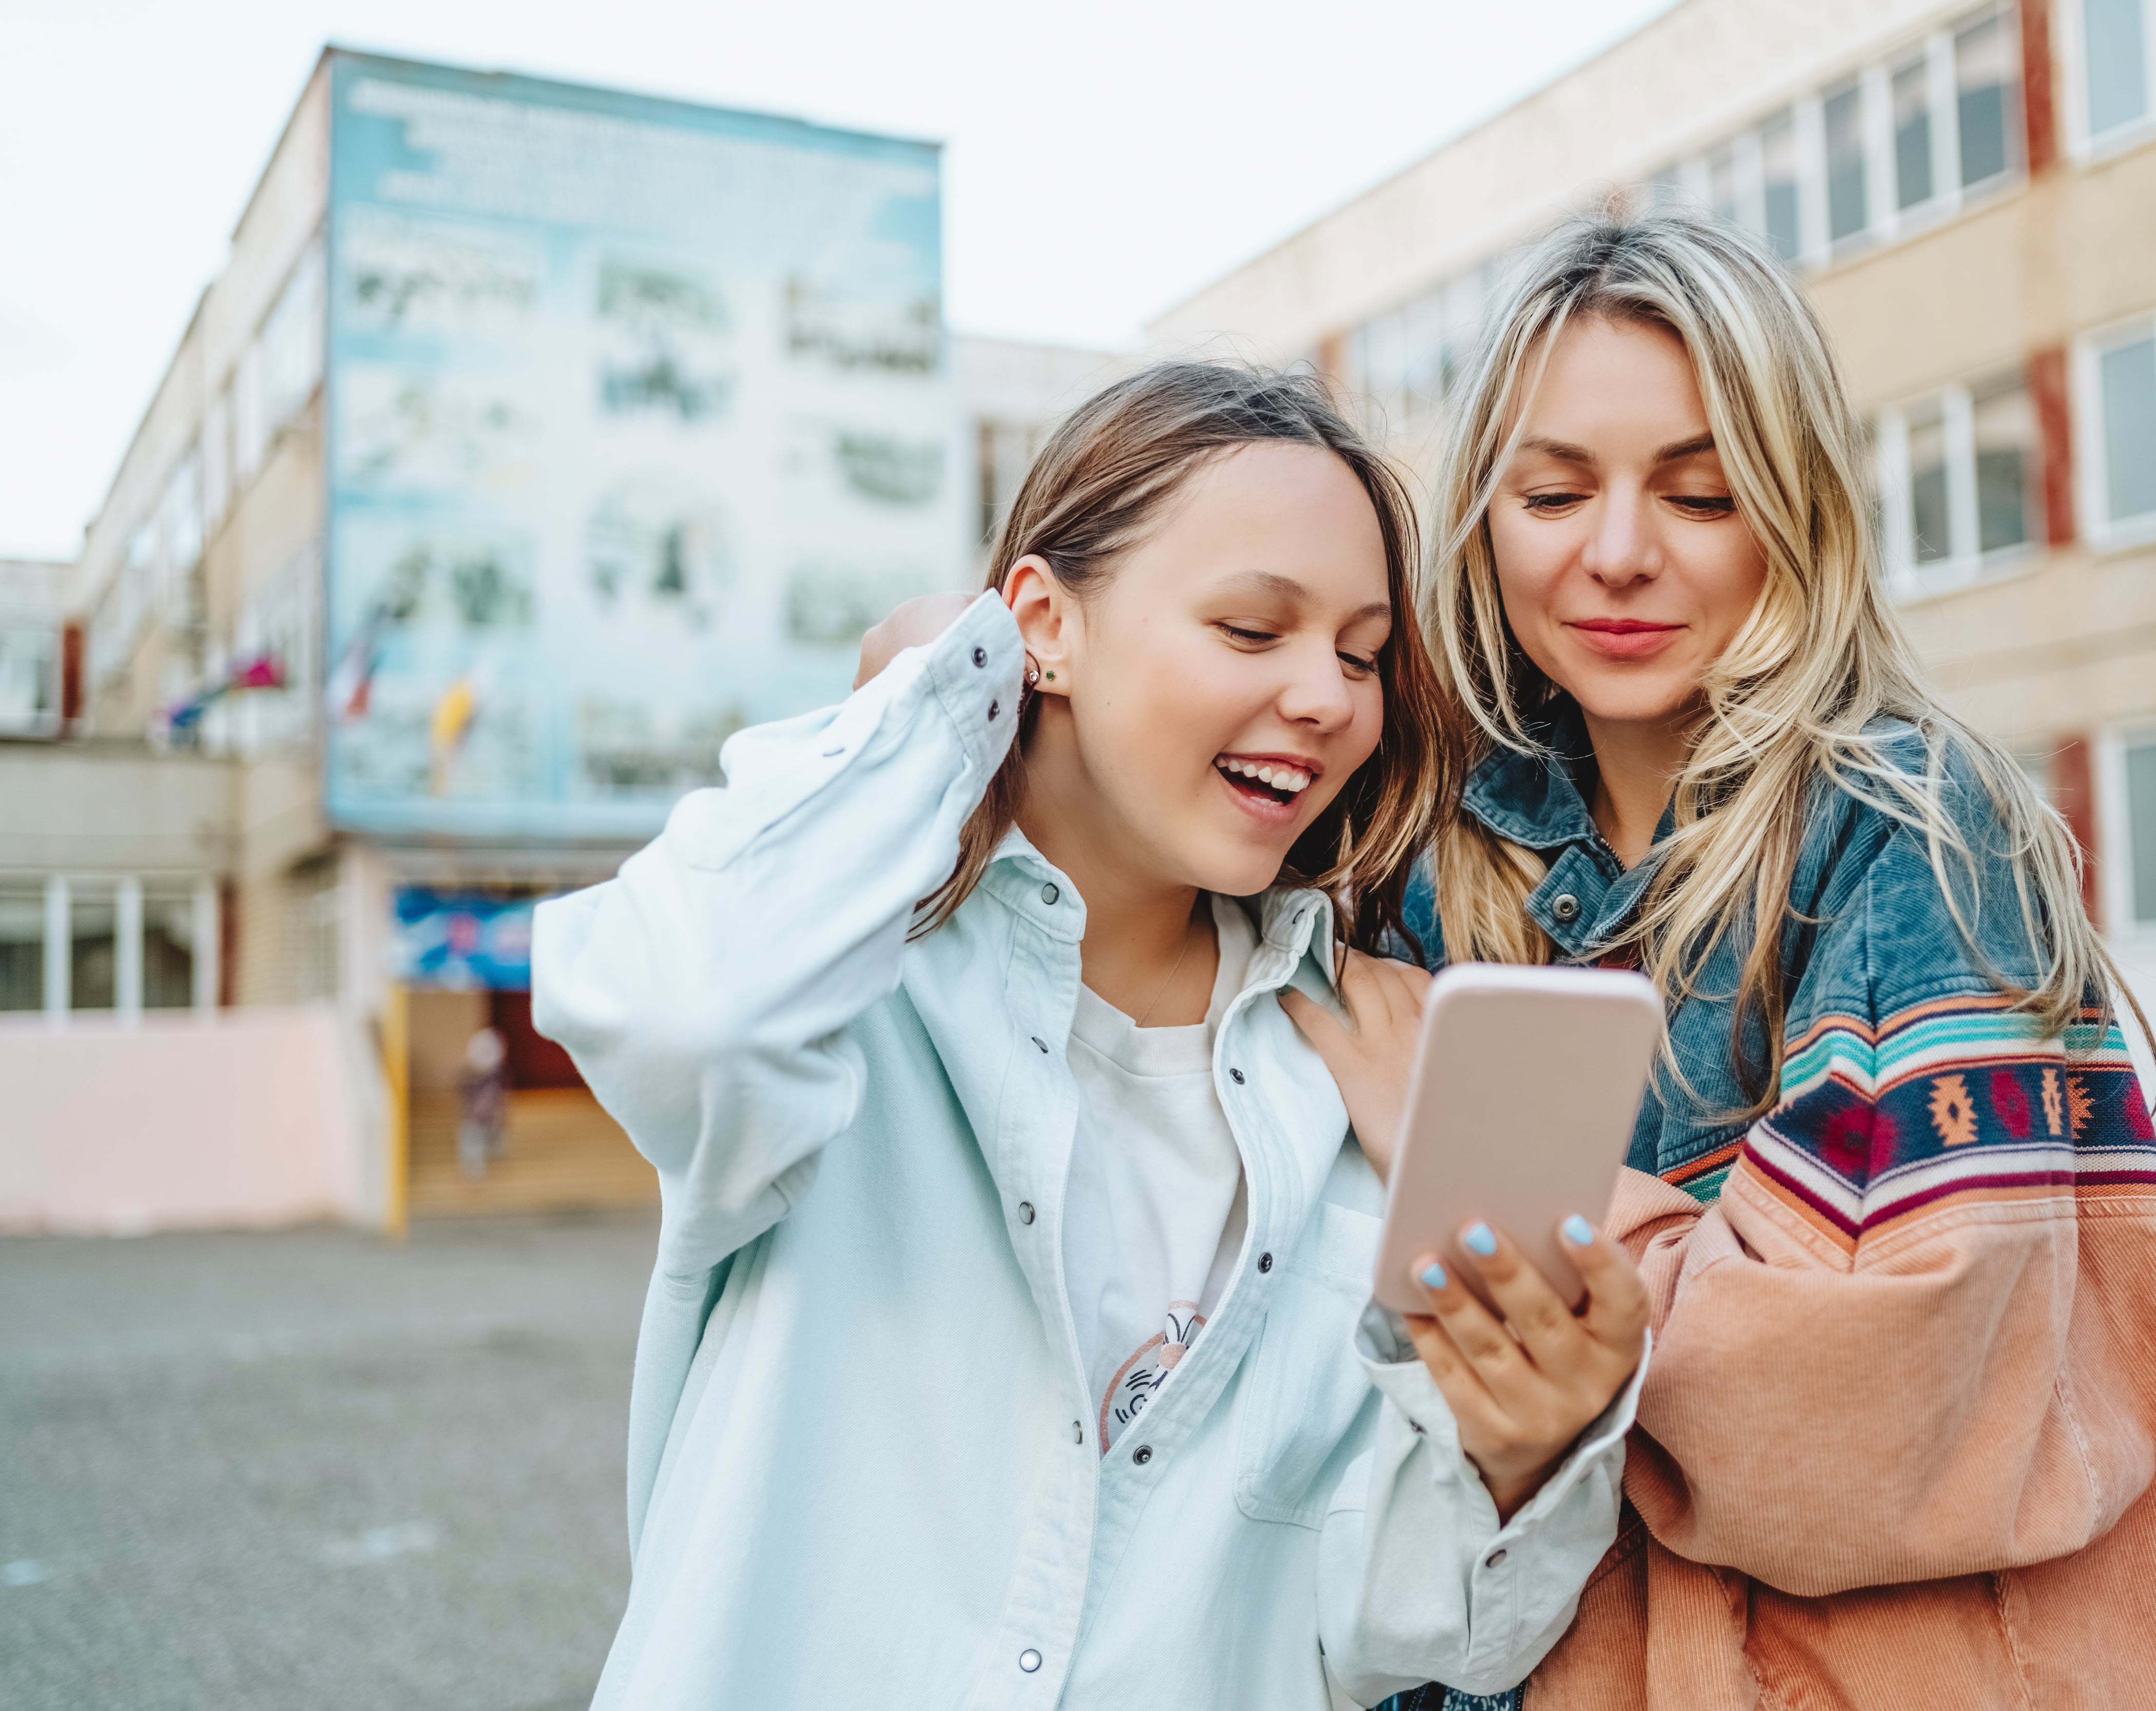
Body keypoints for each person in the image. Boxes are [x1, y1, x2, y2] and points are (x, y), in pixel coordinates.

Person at [532, 361, 1652, 1710]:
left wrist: (1524, 1453)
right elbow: (677, 1004)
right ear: (1042, 626)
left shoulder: (1358, 1080)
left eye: (1360, 654)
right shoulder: (850, 1000)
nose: (1327, 699)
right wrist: (946, 692)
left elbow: (1393, 1631)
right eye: (1253, 628)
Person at [1290, 214, 2156, 1709]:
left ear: (1796, 501)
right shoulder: (1415, 852)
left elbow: (1881, 1423)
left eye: (1700, 491)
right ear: (1480, 513)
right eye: (1551, 490)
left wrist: (1477, 1170)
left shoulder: (1912, 828)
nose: (1617, 554)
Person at [456, 1025, 510, 1181]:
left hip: (489, 1116)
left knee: (489, 1142)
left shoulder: (498, 1077)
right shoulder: (471, 1077)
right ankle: (473, 1175)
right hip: (474, 1117)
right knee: (472, 1143)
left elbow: (499, 1098)